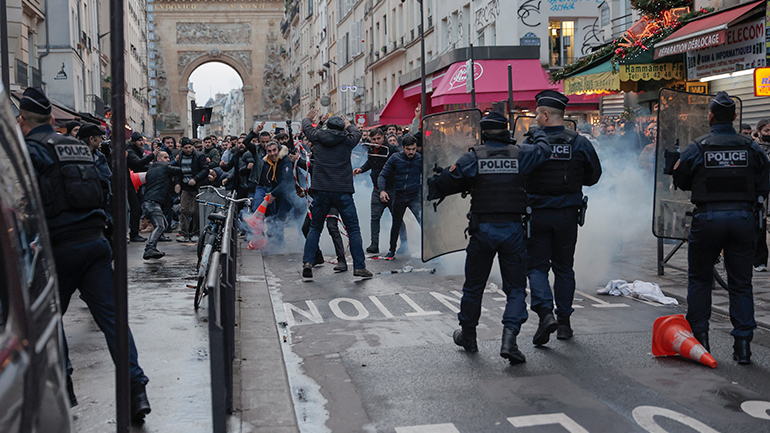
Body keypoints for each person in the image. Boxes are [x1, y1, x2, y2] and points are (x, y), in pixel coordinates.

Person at [17, 87, 151, 423]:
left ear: (22, 121)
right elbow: (105, 187)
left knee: (48, 321)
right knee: (113, 320)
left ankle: (65, 387)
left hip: (56, 249)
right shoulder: (76, 147)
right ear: (52, 119)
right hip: (95, 243)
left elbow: (21, 204)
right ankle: (136, 389)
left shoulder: (28, 152)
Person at [428, 111, 552, 363]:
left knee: (474, 286)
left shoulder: (473, 157)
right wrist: (537, 131)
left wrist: (438, 179)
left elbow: (445, 182)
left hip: (482, 231)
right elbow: (544, 151)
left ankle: (469, 336)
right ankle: (509, 339)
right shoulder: (521, 154)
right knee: (515, 288)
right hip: (513, 230)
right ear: (506, 131)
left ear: (483, 133)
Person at [672, 91, 770, 365]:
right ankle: (743, 347)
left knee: (700, 280)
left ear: (711, 116)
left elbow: (680, 178)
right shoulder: (751, 147)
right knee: (741, 284)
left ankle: (700, 342)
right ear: (735, 116)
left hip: (708, 219)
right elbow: (764, 180)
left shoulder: (699, 146)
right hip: (743, 219)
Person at [524, 91, 602, 346]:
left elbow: (520, 173)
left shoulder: (532, 142)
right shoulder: (579, 142)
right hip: (567, 214)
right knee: (564, 268)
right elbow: (594, 176)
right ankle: (565, 323)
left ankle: (546, 314)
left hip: (537, 214)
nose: (536, 119)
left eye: (537, 114)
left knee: (537, 267)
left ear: (546, 115)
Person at [301, 109, 372, 279]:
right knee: (353, 230)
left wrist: (308, 118)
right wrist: (348, 124)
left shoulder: (317, 137)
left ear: (327, 127)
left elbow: (306, 127)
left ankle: (308, 262)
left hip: (321, 190)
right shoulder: (348, 140)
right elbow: (356, 132)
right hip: (342, 191)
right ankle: (359, 266)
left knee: (315, 228)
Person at [353, 127, 406, 254]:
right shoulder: (371, 149)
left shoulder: (391, 150)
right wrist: (361, 169)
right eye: (374, 139)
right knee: (375, 217)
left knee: (397, 217)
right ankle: (374, 244)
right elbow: (370, 163)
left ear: (383, 137)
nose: (376, 141)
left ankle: (404, 244)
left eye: (378, 138)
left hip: (392, 189)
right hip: (377, 189)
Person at [378, 134, 422, 259]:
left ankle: (431, 251)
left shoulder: (420, 159)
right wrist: (382, 190)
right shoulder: (395, 158)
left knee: (423, 223)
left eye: (413, 149)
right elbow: (382, 175)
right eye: (408, 149)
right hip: (399, 195)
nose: (411, 152)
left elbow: (429, 174)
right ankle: (392, 250)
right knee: (396, 224)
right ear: (403, 148)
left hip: (415, 196)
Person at [142, 151, 182, 259]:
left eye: (168, 157)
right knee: (160, 226)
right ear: (159, 159)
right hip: (153, 202)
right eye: (165, 157)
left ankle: (153, 246)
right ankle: (149, 248)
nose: (168, 159)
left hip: (150, 201)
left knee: (163, 223)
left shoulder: (152, 168)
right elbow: (179, 170)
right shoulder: (163, 166)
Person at [174, 137, 209, 242]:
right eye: (186, 148)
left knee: (195, 211)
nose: (188, 149)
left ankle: (195, 232)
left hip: (197, 187)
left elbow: (205, 169)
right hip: (185, 187)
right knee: (184, 210)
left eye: (189, 147)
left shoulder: (199, 156)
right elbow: (178, 170)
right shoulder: (180, 156)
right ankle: (184, 233)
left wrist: (195, 179)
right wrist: (177, 183)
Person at [127, 131, 154, 242]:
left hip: (135, 183)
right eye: (139, 140)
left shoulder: (138, 151)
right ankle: (133, 233)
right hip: (131, 183)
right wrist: (152, 155)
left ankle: (134, 232)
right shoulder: (130, 151)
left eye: (142, 140)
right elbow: (138, 163)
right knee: (135, 208)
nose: (141, 143)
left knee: (137, 208)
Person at [753, 118, 770, 272]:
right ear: (759, 131)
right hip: (761, 193)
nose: (769, 134)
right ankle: (760, 260)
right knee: (760, 227)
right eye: (767, 131)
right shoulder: (755, 148)